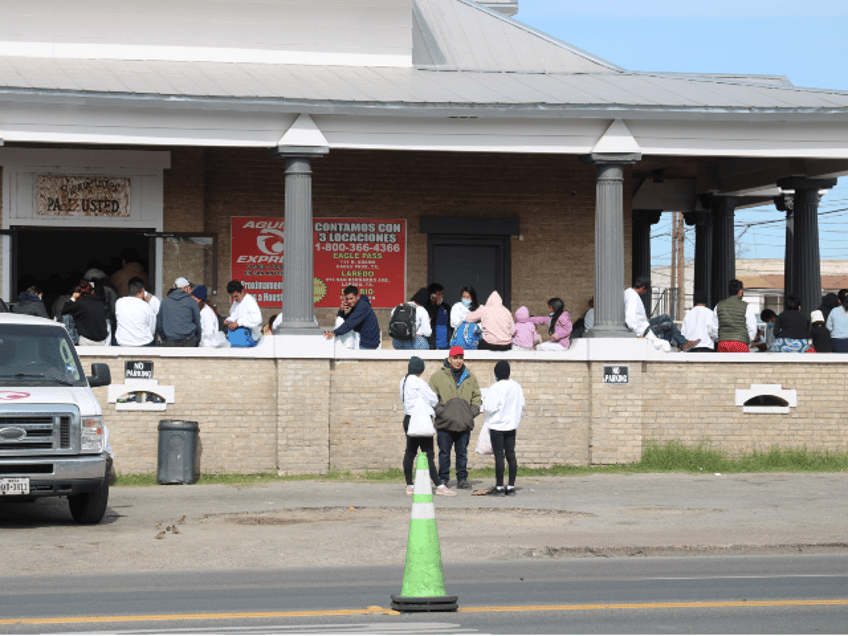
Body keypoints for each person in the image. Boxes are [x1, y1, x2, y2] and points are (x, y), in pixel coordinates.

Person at [400, 356, 457, 497]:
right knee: (428, 453)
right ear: (421, 369)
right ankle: (439, 485)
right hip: (420, 420)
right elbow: (433, 399)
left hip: (408, 418)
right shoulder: (419, 383)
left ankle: (409, 485)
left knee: (410, 452)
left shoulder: (404, 381)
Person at [429, 346, 481, 490]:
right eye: (455, 358)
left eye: (461, 358)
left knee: (462, 453)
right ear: (449, 359)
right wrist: (442, 412)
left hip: (464, 422)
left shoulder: (470, 377)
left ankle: (462, 479)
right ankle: (443, 479)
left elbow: (477, 397)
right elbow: (432, 398)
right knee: (444, 453)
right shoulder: (437, 377)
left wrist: (471, 412)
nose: (458, 361)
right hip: (444, 423)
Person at [481, 361, 525, 496]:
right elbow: (522, 405)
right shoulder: (516, 386)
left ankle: (499, 487)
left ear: (496, 373)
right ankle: (511, 486)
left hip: (497, 426)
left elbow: (489, 407)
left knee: (499, 456)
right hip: (511, 426)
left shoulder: (495, 387)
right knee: (511, 455)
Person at [625, 276, 697, 351]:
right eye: (646, 290)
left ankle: (682, 343)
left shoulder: (630, 293)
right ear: (643, 288)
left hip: (644, 323)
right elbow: (630, 316)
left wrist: (643, 317)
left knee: (665, 317)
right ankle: (682, 344)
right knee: (669, 325)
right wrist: (637, 333)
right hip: (642, 330)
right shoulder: (632, 297)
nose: (645, 293)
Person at [324, 285, 381, 349]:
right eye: (347, 299)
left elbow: (349, 324)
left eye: (351, 298)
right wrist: (341, 310)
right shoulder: (356, 307)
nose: (349, 301)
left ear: (357, 296)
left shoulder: (362, 306)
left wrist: (334, 332)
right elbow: (344, 321)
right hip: (363, 341)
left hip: (368, 344)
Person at [712, 279, 758, 353]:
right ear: (740, 291)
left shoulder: (718, 305)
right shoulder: (746, 306)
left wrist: (720, 338)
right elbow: (752, 328)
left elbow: (714, 328)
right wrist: (747, 340)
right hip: (740, 344)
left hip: (723, 343)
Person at [61, 280, 110, 346]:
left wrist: (73, 298)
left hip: (86, 341)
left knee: (68, 317)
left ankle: (71, 342)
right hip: (102, 341)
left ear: (79, 293)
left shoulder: (80, 304)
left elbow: (64, 311)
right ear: (92, 291)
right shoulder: (101, 304)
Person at [156, 276, 201, 347]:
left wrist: (165, 339)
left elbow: (159, 325)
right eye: (190, 287)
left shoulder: (164, 302)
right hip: (189, 342)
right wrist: (197, 340)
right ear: (184, 288)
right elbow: (197, 323)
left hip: (170, 341)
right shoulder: (192, 302)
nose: (191, 290)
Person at [114, 279, 156, 346]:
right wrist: (148, 304)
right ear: (142, 290)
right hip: (144, 343)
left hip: (122, 342)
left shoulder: (119, 302)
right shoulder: (147, 306)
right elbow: (152, 327)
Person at [224, 280, 262, 347]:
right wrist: (229, 321)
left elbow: (257, 318)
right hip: (237, 338)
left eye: (236, 296)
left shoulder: (250, 301)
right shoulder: (235, 303)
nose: (234, 299)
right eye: (232, 297)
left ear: (242, 291)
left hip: (249, 339)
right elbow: (233, 316)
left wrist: (239, 323)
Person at [425, 283, 452, 350]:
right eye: (439, 294)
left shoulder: (446, 307)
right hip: (431, 341)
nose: (441, 296)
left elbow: (451, 324)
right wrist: (436, 306)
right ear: (432, 295)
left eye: (442, 294)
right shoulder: (425, 307)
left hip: (445, 341)